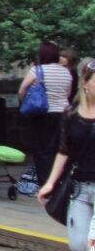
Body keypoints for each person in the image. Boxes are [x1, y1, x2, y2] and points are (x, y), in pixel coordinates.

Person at [38, 58, 95, 251]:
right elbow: (64, 151)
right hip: (80, 188)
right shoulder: (70, 116)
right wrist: (50, 183)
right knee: (77, 244)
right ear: (85, 84)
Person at [19, 40, 72, 184]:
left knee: (42, 151)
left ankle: (46, 184)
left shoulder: (37, 70)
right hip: (63, 114)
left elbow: (22, 90)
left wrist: (27, 101)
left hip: (43, 115)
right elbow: (67, 93)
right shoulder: (66, 71)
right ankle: (61, 182)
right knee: (59, 149)